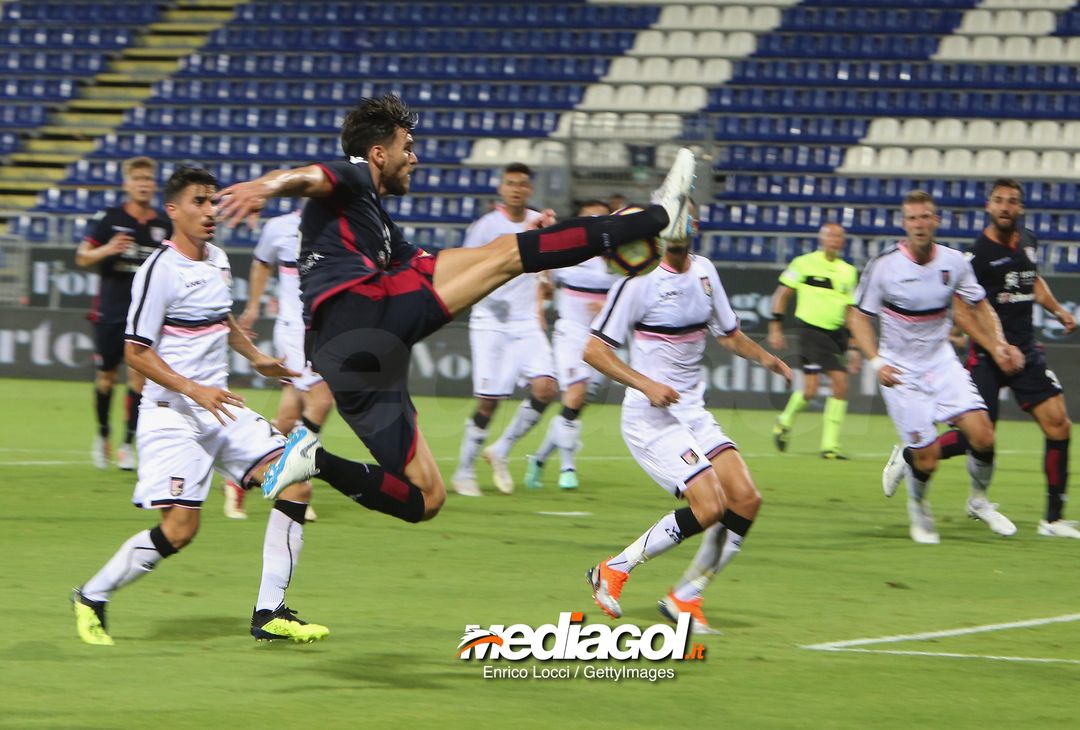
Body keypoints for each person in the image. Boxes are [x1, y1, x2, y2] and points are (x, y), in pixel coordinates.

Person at [215, 94, 696, 528]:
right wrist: (266, 184)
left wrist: (550, 240)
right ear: (380, 153)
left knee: (426, 499)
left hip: (349, 361)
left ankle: (313, 460)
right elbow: (313, 177)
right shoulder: (355, 175)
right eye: (407, 146)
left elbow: (444, 266)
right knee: (509, 254)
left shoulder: (377, 225)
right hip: (359, 314)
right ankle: (659, 216)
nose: (414, 156)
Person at [71, 167, 327, 646]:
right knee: (181, 529)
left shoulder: (219, 259)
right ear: (174, 210)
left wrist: (257, 359)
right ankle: (92, 596)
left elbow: (221, 316)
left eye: (214, 202)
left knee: (295, 482)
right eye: (200, 202)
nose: (211, 211)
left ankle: (270, 611)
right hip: (172, 414)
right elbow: (136, 351)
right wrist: (195, 389)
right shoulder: (158, 271)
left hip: (219, 407)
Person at [582, 218, 792, 634]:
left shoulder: (705, 271)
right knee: (710, 505)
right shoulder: (637, 282)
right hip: (650, 415)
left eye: (685, 219)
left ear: (692, 225)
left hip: (692, 411)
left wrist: (766, 358)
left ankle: (686, 597)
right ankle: (614, 569)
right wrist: (647, 384)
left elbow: (729, 335)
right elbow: (593, 350)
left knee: (746, 500)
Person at [849, 190, 1025, 544]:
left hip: (941, 361)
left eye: (926, 217)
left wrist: (1000, 342)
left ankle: (978, 502)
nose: (919, 224)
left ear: (936, 221)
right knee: (927, 458)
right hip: (900, 371)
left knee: (983, 434)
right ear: (904, 223)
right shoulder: (884, 267)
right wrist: (876, 360)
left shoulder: (954, 261)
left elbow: (979, 303)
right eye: (912, 218)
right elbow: (856, 317)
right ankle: (918, 506)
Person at [931, 179, 1078, 538]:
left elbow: (1032, 280)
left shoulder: (1028, 241)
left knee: (1059, 424)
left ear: (1021, 208)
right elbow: (962, 312)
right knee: (980, 438)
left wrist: (1058, 310)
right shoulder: (977, 256)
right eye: (999, 201)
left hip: (1025, 350)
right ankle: (914, 452)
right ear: (988, 206)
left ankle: (1053, 519)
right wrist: (994, 346)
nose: (1006, 207)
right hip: (986, 354)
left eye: (1012, 201)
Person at [449, 163, 558, 497]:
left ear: (529, 190)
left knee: (546, 389)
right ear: (501, 188)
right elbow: (465, 266)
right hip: (490, 322)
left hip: (525, 321)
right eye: (510, 183)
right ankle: (464, 471)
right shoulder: (486, 226)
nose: (515, 189)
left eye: (522, 184)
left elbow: (545, 268)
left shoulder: (539, 222)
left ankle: (501, 449)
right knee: (488, 403)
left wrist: (543, 293)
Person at [230, 208, 332, 521]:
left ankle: (237, 477)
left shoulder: (343, 226)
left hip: (323, 330)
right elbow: (261, 263)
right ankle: (295, 481)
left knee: (288, 415)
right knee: (322, 400)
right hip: (293, 329)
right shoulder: (281, 227)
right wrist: (252, 307)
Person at [75, 156, 171, 471]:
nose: (143, 183)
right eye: (138, 178)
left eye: (148, 178)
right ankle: (103, 435)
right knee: (106, 377)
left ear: (154, 183)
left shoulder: (162, 223)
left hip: (145, 315)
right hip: (111, 311)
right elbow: (83, 258)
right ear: (126, 183)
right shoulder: (109, 219)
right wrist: (108, 249)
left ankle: (128, 445)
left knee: (139, 377)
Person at [525, 199, 619, 490]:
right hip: (570, 333)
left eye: (602, 217)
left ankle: (538, 459)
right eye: (589, 217)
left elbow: (629, 302)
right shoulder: (569, 254)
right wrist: (542, 300)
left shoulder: (622, 260)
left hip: (602, 339)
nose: (596, 221)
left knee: (573, 407)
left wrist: (605, 311)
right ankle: (568, 468)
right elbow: (545, 279)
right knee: (575, 396)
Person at [768, 223, 860, 459]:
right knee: (814, 388)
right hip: (810, 331)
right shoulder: (803, 263)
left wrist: (853, 345)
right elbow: (782, 294)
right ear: (821, 238)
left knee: (834, 386)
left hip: (836, 334)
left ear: (843, 241)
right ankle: (790, 424)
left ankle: (827, 445)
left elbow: (851, 311)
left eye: (838, 236)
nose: (834, 239)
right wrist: (775, 326)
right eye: (829, 235)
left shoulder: (848, 271)